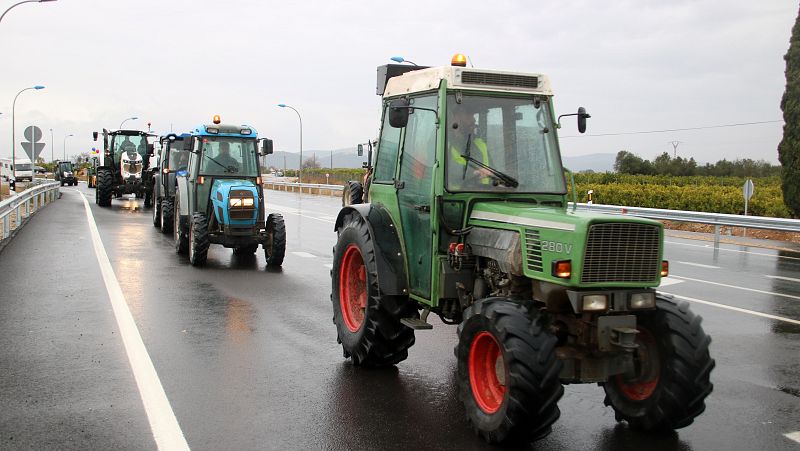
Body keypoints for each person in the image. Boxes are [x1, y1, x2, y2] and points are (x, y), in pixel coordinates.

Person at [448, 108, 493, 188]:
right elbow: (448, 172)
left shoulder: (480, 144)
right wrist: (474, 172)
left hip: (485, 196)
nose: (474, 119)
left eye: (473, 115)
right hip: (455, 198)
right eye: (468, 115)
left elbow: (492, 171)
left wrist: (499, 181)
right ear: (455, 118)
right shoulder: (441, 142)